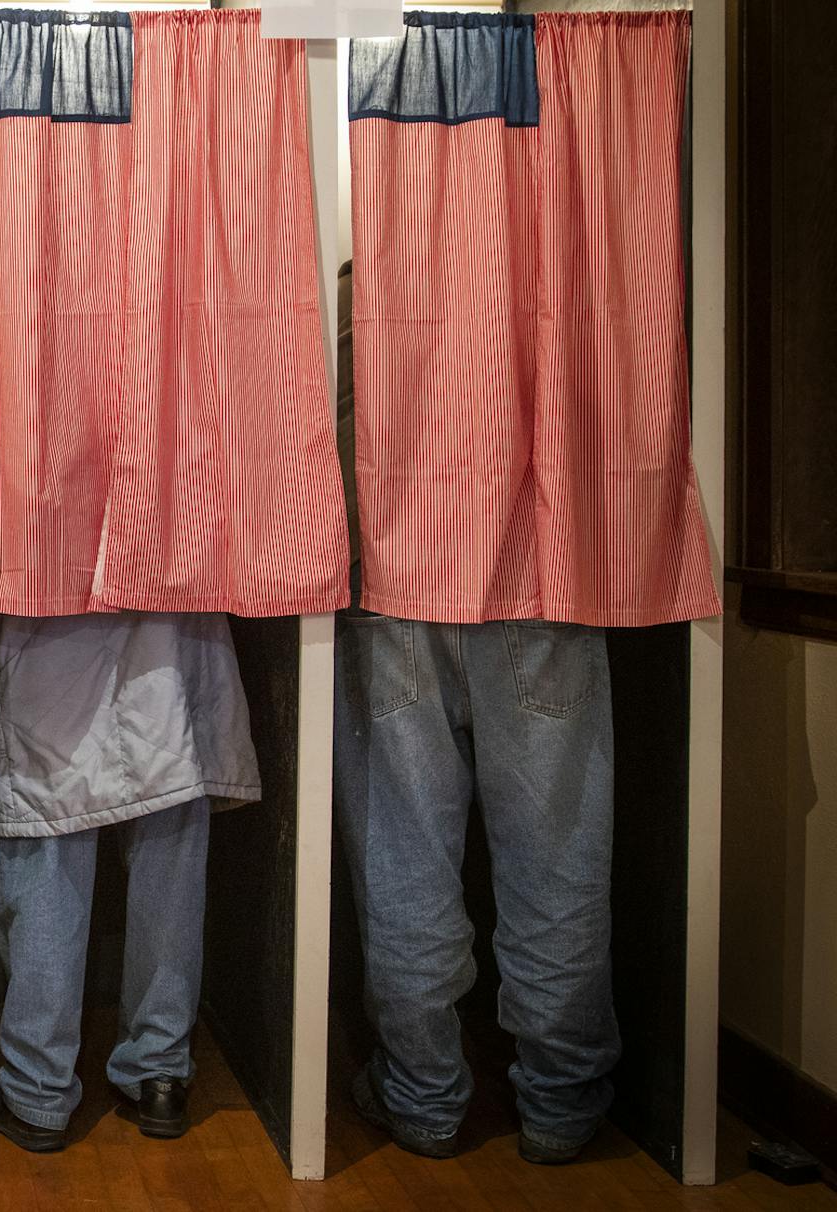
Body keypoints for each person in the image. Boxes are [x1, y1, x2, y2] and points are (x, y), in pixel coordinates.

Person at [333, 262, 621, 1166]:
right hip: (543, 576)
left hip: (395, 580)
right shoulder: (565, 249)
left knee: (403, 857)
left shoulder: (370, 269)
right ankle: (562, 1104)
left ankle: (422, 1098)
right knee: (557, 858)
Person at [0, 611, 261, 1153]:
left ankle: (38, 1090)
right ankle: (159, 1075)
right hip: (172, 624)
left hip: (44, 623)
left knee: (49, 835)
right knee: (169, 850)